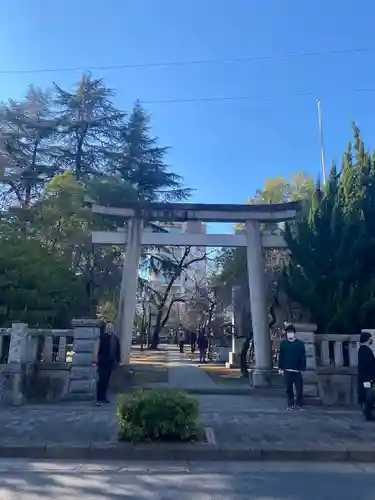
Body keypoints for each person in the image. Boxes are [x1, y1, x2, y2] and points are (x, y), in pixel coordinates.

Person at [278, 324, 306, 410]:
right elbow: (281, 356)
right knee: (288, 388)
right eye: (288, 333)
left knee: (299, 389)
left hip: (297, 370)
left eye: (291, 333)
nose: (289, 334)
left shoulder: (300, 344)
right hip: (287, 369)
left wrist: (303, 367)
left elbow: (303, 356)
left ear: (294, 333)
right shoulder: (283, 344)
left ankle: (299, 404)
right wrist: (280, 368)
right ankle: (290, 404)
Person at [95, 322, 121, 406]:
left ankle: (104, 397)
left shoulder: (115, 339)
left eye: (111, 327)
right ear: (106, 328)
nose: (110, 328)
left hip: (110, 363)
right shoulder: (102, 338)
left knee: (106, 380)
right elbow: (97, 349)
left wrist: (118, 361)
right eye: (108, 327)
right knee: (101, 380)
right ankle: (99, 398)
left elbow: (117, 351)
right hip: (102, 362)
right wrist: (95, 360)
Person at [357, 331, 375, 421]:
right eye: (370, 338)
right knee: (369, 395)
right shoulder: (364, 350)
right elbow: (368, 364)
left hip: (367, 377)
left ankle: (368, 412)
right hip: (366, 378)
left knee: (369, 395)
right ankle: (368, 413)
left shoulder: (363, 349)